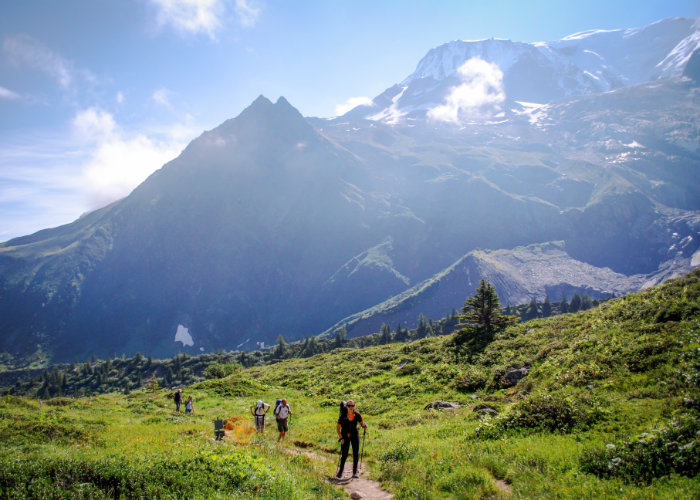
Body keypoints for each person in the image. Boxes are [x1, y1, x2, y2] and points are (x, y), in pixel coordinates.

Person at [336, 400, 367, 479]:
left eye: (352, 405)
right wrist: (341, 438)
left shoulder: (357, 415)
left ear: (354, 406)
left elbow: (361, 423)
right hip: (345, 435)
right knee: (344, 454)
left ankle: (355, 472)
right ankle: (340, 471)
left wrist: (364, 425)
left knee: (355, 453)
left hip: (354, 434)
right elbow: (338, 428)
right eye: (349, 406)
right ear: (346, 406)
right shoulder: (343, 416)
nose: (351, 407)